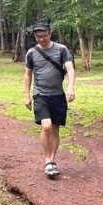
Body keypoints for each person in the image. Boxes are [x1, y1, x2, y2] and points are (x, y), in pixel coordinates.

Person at [24, 23, 75, 178]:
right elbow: (27, 74)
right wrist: (26, 95)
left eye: (44, 35)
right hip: (40, 95)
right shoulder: (32, 53)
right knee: (46, 127)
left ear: (50, 33)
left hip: (58, 95)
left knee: (55, 128)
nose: (42, 39)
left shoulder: (61, 50)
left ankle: (52, 161)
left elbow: (70, 69)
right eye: (39, 37)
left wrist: (71, 87)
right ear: (35, 37)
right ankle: (47, 161)